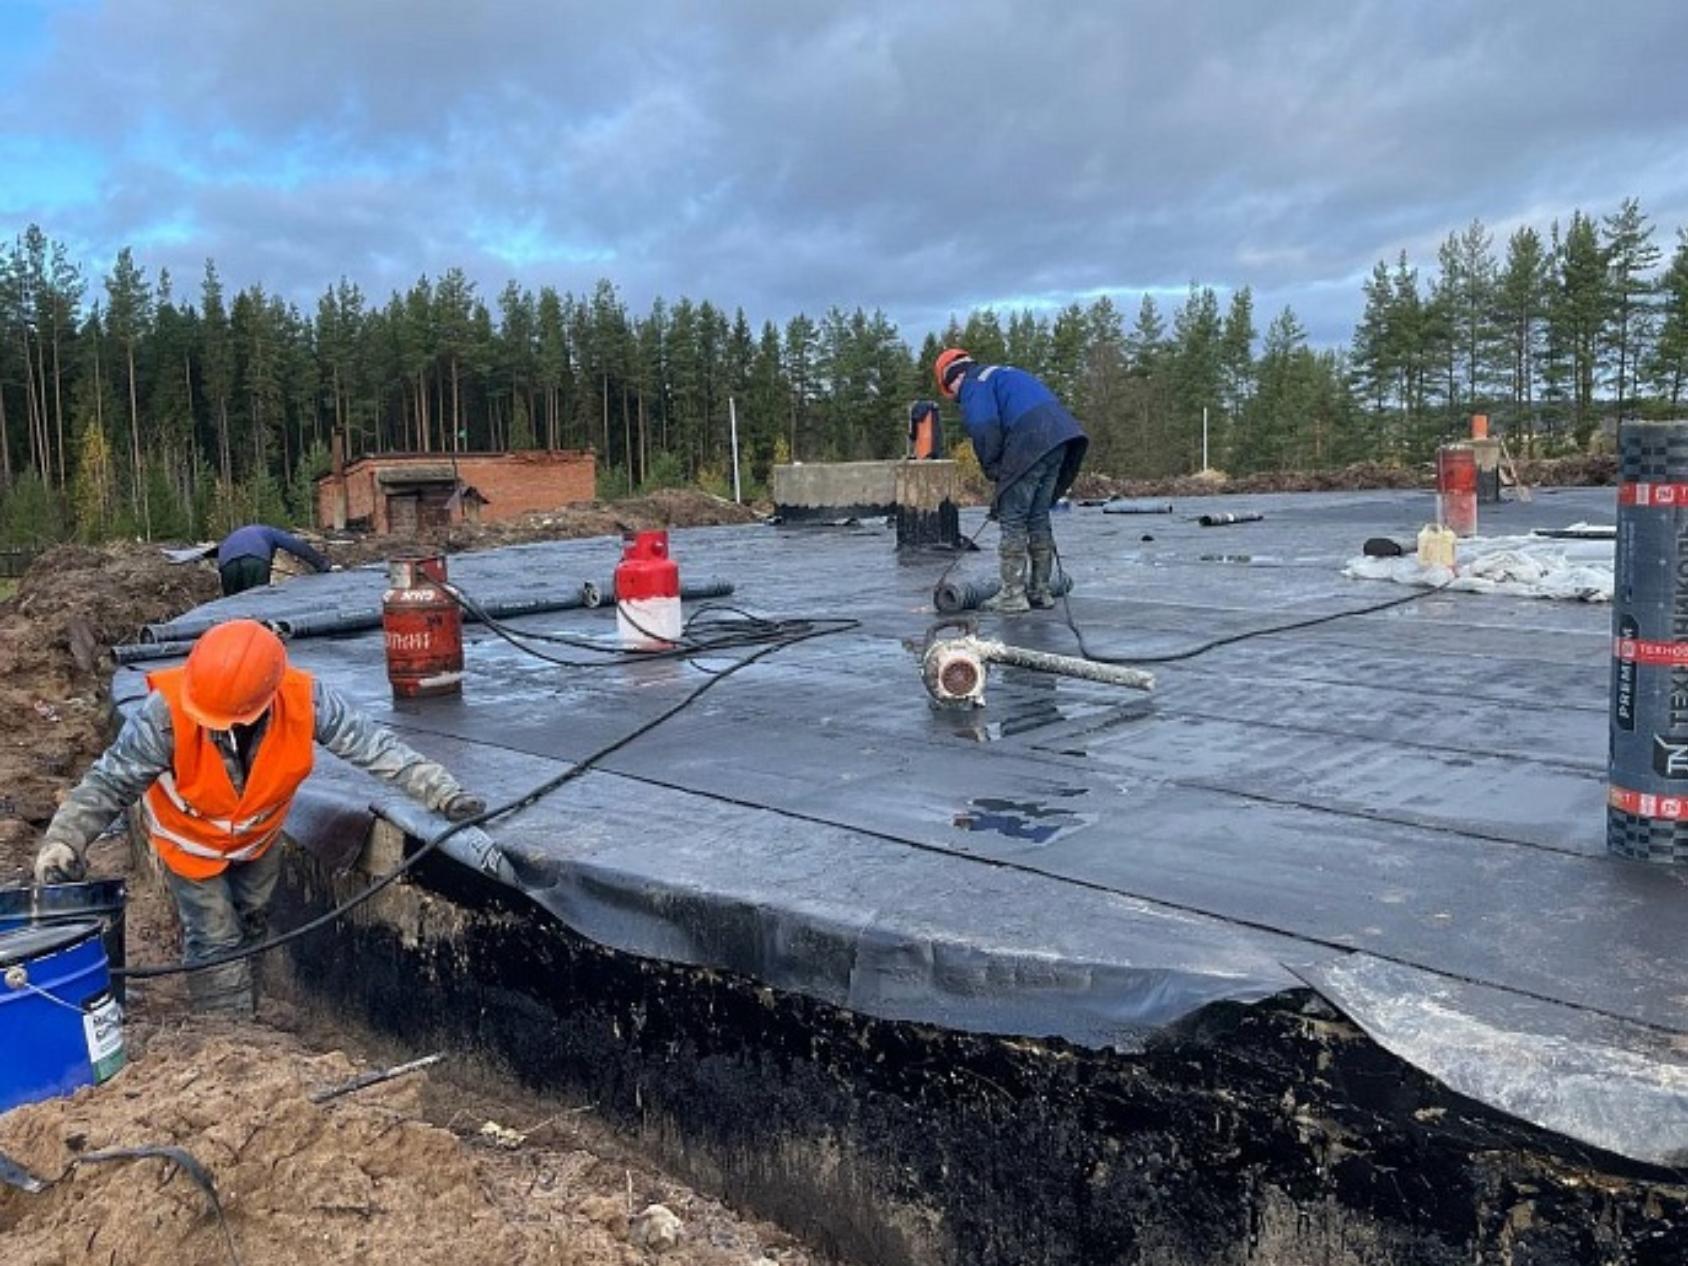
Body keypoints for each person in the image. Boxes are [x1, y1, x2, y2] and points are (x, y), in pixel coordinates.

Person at [34, 619, 486, 1014]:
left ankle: (243, 1002)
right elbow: (109, 781)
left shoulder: (303, 699)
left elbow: (374, 747)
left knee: (252, 922)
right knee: (214, 938)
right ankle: (227, 1030)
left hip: (258, 838)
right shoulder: (166, 714)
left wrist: (442, 791)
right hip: (190, 846)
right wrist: (65, 840)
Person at [934, 348, 1089, 613]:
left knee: (1013, 518)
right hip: (1063, 437)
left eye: (953, 393)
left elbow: (984, 426)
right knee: (1038, 516)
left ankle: (1012, 595)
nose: (958, 399)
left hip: (1031, 438)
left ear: (953, 379)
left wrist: (994, 469)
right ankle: (1040, 591)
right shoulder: (1002, 373)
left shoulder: (974, 384)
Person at [216, 524, 333, 597]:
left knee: (232, 604)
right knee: (257, 599)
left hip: (227, 564)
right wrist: (321, 564)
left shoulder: (235, 536)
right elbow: (295, 545)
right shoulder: (271, 532)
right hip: (256, 560)